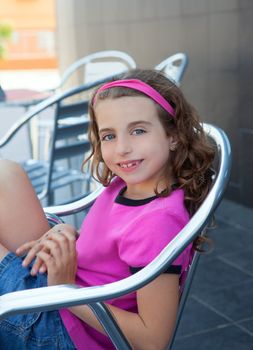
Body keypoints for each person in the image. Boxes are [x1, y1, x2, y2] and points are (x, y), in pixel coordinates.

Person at [0, 69, 215, 350]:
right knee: (7, 174)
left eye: (138, 130)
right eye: (109, 136)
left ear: (173, 135)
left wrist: (65, 289)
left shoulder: (157, 222)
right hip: (64, 293)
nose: (122, 148)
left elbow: (153, 341)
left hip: (64, 330)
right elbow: (111, 257)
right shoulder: (125, 186)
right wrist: (71, 237)